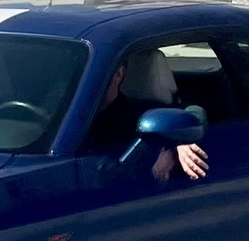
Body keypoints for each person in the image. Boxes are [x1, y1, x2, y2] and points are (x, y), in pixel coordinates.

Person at [89, 46, 210, 184]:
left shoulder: (141, 117)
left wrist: (175, 144)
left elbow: (194, 112)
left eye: (94, 73)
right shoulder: (71, 111)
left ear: (118, 74)